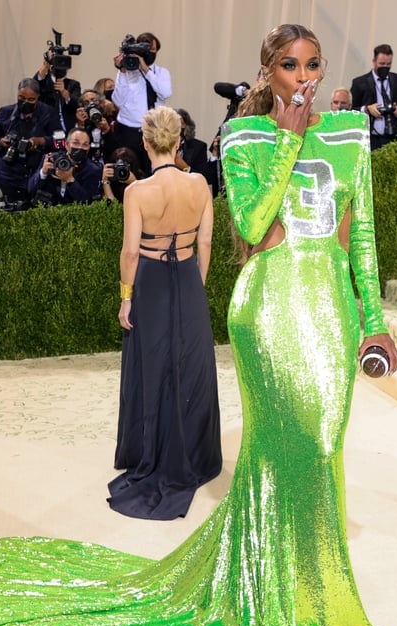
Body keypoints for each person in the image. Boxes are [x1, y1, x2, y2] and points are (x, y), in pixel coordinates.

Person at [0, 23, 397, 626]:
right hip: (271, 311)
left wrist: (374, 320)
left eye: (313, 62)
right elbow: (255, 227)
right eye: (290, 65)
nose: (305, 75)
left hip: (333, 313)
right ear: (269, 75)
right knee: (289, 444)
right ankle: (274, 592)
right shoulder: (244, 137)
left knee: (323, 445)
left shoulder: (349, 137)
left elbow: (360, 237)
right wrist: (286, 142)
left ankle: (315, 590)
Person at [110, 106, 222, 520]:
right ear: (178, 142)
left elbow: (129, 251)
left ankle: (150, 450)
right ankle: (195, 450)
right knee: (190, 365)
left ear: (145, 143)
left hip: (151, 281)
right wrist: (197, 285)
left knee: (153, 363)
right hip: (189, 278)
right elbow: (206, 243)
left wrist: (127, 297)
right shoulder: (200, 184)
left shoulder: (136, 192)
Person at [0, 79, 58, 203]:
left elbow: (61, 142)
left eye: (31, 100)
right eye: (21, 98)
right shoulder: (6, 112)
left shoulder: (49, 113)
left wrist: (40, 141)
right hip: (8, 174)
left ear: (38, 98)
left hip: (36, 173)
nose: (25, 102)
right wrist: (1, 141)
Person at [111, 32, 172, 173]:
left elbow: (165, 93)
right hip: (128, 130)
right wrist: (122, 71)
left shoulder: (161, 73)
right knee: (127, 171)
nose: (149, 53)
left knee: (153, 170)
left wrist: (146, 69)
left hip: (153, 130)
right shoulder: (127, 72)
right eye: (146, 50)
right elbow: (117, 100)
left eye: (152, 50)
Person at [350, 43, 397, 150]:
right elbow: (351, 110)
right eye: (382, 63)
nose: (385, 67)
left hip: (396, 138)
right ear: (374, 61)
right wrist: (367, 109)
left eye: (388, 64)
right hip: (371, 139)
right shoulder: (359, 83)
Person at [27, 127, 101, 206]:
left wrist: (70, 180)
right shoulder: (51, 159)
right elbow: (30, 190)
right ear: (67, 145)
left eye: (85, 145)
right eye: (76, 143)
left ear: (88, 148)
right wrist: (43, 173)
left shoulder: (92, 170)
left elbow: (87, 202)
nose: (80, 148)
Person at [173, 108, 209, 177]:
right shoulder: (158, 145)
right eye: (174, 124)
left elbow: (203, 178)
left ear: (187, 127)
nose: (178, 127)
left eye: (181, 124)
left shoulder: (199, 147)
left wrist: (185, 167)